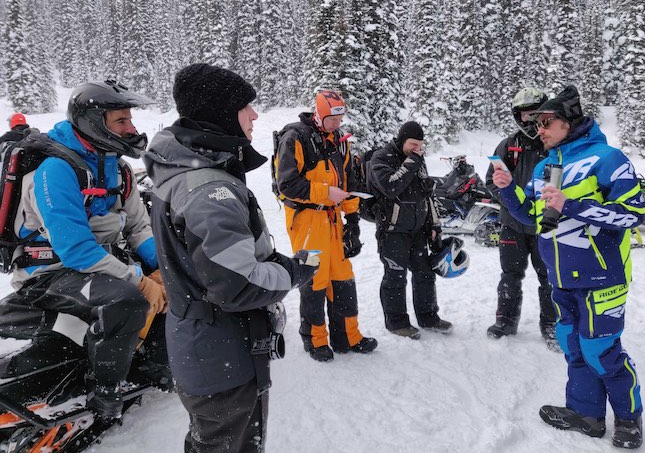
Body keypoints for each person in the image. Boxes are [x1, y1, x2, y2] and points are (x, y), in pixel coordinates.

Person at [143, 63, 318, 453]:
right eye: (246, 107)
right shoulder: (209, 190)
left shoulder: (186, 172)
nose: (255, 115)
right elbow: (238, 286)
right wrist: (293, 272)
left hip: (204, 347)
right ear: (222, 113)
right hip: (222, 353)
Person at [492, 85, 645, 449]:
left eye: (547, 122)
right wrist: (508, 188)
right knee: (572, 344)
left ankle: (629, 419)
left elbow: (633, 213)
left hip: (602, 276)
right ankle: (586, 414)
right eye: (537, 123)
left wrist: (571, 205)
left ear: (569, 122)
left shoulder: (608, 158)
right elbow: (533, 215)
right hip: (561, 276)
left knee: (602, 350)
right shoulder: (547, 166)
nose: (539, 129)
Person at [5, 81, 166, 421]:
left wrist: (162, 267)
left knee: (177, 277)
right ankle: (104, 393)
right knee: (126, 301)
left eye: (130, 120)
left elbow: (137, 227)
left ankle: (153, 361)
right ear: (94, 121)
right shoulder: (57, 169)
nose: (131, 129)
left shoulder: (118, 168)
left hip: (99, 260)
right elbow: (75, 249)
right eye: (121, 121)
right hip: (49, 271)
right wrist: (139, 281)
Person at [275, 89, 377, 362]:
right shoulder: (295, 138)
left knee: (343, 276)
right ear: (318, 114)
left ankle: (347, 336)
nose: (337, 124)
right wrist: (324, 193)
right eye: (332, 119)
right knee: (314, 279)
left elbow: (349, 184)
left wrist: (353, 221)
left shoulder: (340, 142)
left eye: (340, 118)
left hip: (333, 220)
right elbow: (287, 184)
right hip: (306, 219)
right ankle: (316, 340)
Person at [485, 88, 558, 349]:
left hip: (547, 225)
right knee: (510, 275)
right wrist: (509, 199)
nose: (529, 120)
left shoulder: (555, 144)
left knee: (549, 277)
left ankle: (552, 325)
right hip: (513, 225)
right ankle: (506, 319)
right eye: (524, 115)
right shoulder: (509, 145)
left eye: (534, 114)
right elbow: (490, 181)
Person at [368, 121, 452, 339]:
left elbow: (428, 194)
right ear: (401, 140)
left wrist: (434, 224)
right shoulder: (382, 158)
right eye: (413, 144)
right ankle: (396, 322)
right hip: (393, 230)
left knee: (425, 274)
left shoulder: (418, 160)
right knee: (396, 276)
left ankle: (428, 317)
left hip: (418, 230)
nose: (417, 149)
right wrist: (413, 161)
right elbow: (390, 186)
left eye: (420, 146)